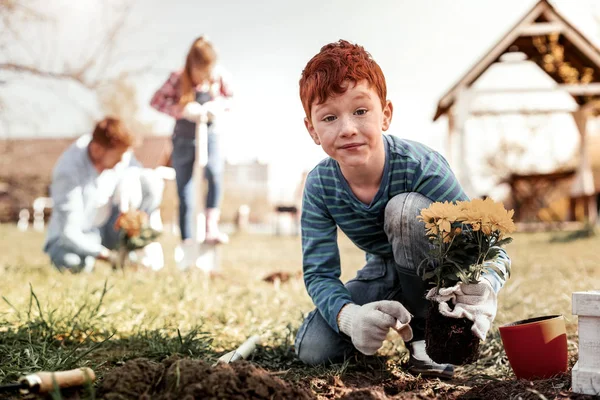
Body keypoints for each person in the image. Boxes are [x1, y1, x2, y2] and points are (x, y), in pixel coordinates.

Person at [294, 40, 511, 379]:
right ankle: (393, 319)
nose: (347, 128)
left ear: (386, 115)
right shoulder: (319, 186)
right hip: (382, 274)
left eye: (360, 111)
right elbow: (319, 273)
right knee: (315, 349)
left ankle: (428, 337)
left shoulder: (420, 167)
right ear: (312, 129)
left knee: (404, 209)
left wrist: (485, 283)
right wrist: (350, 317)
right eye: (330, 117)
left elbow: (486, 243)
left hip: (436, 273)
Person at [150, 36, 233, 268]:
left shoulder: (219, 77)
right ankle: (187, 241)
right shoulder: (177, 78)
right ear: (191, 65)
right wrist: (181, 110)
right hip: (183, 139)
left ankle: (210, 227)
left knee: (215, 174)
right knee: (184, 191)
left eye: (208, 70)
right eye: (200, 71)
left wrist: (218, 107)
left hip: (211, 135)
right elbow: (155, 101)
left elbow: (231, 99)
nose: (204, 76)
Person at [43, 117, 165, 272]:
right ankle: (105, 258)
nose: (122, 161)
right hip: (75, 235)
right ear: (97, 150)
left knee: (151, 181)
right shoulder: (68, 172)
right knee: (73, 262)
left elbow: (135, 171)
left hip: (105, 226)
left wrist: (131, 210)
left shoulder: (119, 153)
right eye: (118, 156)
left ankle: (130, 252)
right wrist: (107, 256)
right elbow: (69, 232)